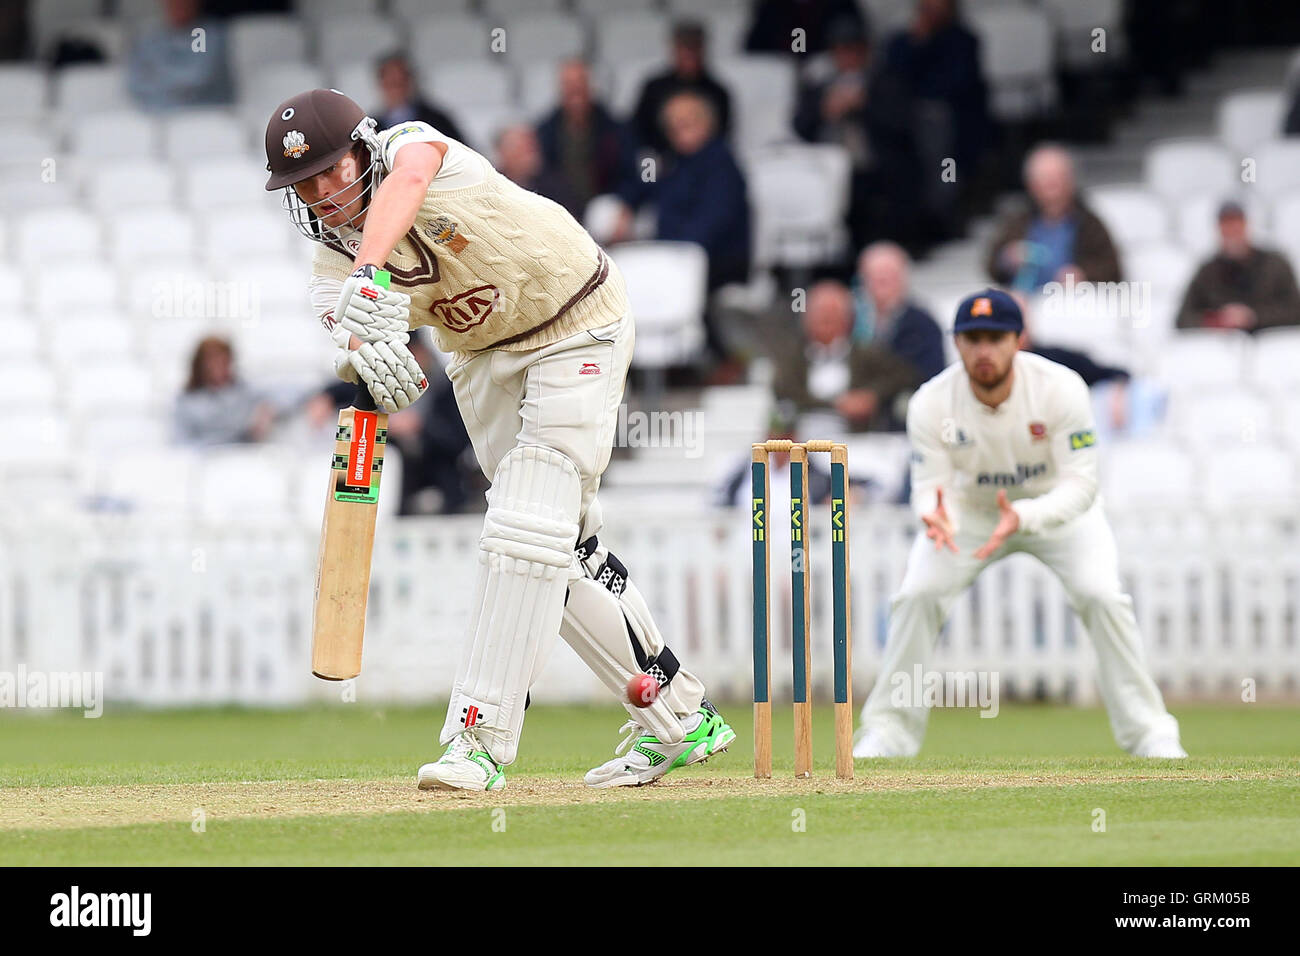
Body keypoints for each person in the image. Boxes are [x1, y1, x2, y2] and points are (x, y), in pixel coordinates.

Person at [262, 88, 735, 792]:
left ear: (365, 146)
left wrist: (369, 272)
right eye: (307, 183)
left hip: (576, 321)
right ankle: (680, 716)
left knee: (519, 533)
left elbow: (411, 180)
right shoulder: (327, 264)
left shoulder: (416, 147)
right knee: (558, 547)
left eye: (334, 168)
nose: (327, 191)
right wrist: (368, 354)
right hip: (481, 359)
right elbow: (349, 334)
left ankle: (475, 741)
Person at [855, 288, 1186, 760]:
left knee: (1103, 596)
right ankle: (888, 732)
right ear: (957, 344)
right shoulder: (931, 401)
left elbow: (1081, 484)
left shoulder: (1061, 387)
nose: (983, 351)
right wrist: (933, 512)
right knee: (917, 596)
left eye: (995, 338)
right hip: (969, 513)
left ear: (1018, 340)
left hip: (1056, 511)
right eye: (972, 339)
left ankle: (1151, 733)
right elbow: (929, 484)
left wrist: (1024, 516)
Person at [771, 280, 917, 433]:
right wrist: (836, 405)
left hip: (859, 441)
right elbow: (784, 392)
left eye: (832, 316)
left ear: (847, 320)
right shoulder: (792, 358)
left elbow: (904, 377)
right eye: (820, 316)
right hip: (803, 441)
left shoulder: (868, 355)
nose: (826, 321)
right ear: (807, 320)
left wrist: (871, 396)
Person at [985, 144, 1121, 292]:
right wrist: (1008, 257)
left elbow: (1112, 269)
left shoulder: (1089, 223)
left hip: (1070, 303)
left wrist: (1083, 274)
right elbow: (992, 266)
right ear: (1031, 184)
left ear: (1071, 181)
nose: (1052, 186)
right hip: (1026, 299)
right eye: (1044, 179)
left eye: (1057, 178)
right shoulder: (1018, 221)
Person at [535, 60, 640, 220]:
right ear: (560, 88)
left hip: (604, 211)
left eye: (580, 82)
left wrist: (624, 205)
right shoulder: (543, 133)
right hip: (559, 212)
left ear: (591, 86)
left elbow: (631, 176)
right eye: (569, 84)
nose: (575, 89)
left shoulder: (617, 130)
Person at [1175, 201, 1300, 333]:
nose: (1232, 231)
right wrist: (1218, 320)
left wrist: (1253, 317)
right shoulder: (1207, 271)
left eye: (1236, 224)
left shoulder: (1275, 264)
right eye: (1226, 225)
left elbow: (1295, 311)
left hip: (1271, 345)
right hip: (1222, 346)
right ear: (1219, 229)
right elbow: (1183, 319)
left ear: (1246, 225)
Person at [633, 20, 732, 156]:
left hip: (703, 161)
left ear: (703, 49)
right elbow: (638, 131)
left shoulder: (718, 92)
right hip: (658, 158)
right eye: (684, 47)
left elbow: (721, 137)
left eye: (694, 47)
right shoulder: (654, 88)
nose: (689, 54)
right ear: (674, 48)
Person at [854, 241, 947, 388]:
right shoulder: (851, 319)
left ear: (903, 278)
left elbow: (932, 375)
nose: (880, 285)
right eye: (874, 278)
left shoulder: (923, 324)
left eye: (887, 277)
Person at [127, 0, 232, 111]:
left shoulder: (207, 33)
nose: (177, 5)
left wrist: (155, 75)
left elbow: (196, 77)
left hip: (207, 115)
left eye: (183, 2)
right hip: (159, 115)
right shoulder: (151, 38)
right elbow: (136, 83)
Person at [173, 336, 274, 445]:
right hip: (206, 455)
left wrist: (265, 411)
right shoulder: (187, 401)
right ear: (200, 365)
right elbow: (180, 441)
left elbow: (284, 394)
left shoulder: (244, 390)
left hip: (245, 454)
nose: (219, 366)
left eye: (224, 361)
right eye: (212, 361)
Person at [373, 53, 468, 148]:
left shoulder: (437, 121)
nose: (397, 90)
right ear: (381, 84)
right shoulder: (372, 128)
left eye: (401, 82)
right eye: (392, 83)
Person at [493, 123, 579, 217]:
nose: (531, 153)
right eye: (521, 147)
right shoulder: (489, 187)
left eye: (532, 146)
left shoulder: (556, 186)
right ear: (502, 153)